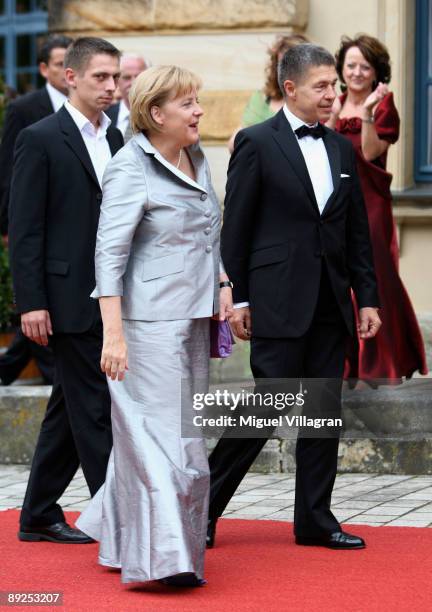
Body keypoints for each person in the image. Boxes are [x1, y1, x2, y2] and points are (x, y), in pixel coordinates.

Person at [207, 43, 381, 550]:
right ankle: (202, 508)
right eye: (322, 86)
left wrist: (366, 297)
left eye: (335, 85)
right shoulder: (256, 143)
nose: (333, 94)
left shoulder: (342, 148)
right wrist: (235, 298)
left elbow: (355, 233)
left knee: (323, 410)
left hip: (331, 299)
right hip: (276, 299)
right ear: (290, 88)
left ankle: (314, 519)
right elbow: (234, 229)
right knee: (269, 405)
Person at [76, 65, 232, 586]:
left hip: (192, 319)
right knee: (169, 444)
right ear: (156, 113)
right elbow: (109, 256)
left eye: (197, 100)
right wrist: (113, 334)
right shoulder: (129, 168)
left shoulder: (195, 156)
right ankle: (165, 561)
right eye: (188, 103)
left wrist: (224, 286)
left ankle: (124, 538)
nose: (199, 112)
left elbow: (209, 233)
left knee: (170, 436)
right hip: (147, 326)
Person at [8, 37, 124, 544]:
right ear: (71, 77)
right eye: (101, 77)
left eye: (116, 77)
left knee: (69, 408)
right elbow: (25, 226)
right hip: (64, 296)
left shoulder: (118, 139)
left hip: (110, 295)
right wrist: (30, 302)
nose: (112, 87)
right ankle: (119, 517)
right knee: (95, 407)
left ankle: (37, 512)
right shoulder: (40, 137)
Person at [326, 34, 427, 381]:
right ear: (341, 68)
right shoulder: (333, 102)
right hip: (336, 201)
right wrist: (333, 116)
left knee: (374, 274)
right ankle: (344, 362)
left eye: (364, 66)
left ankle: (381, 363)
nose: (355, 72)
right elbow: (321, 152)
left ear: (375, 72)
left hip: (369, 202)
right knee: (336, 274)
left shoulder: (384, 105)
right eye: (350, 65)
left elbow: (369, 154)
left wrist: (366, 112)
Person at [0, 34, 73, 386]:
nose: (66, 71)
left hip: (68, 235)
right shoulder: (24, 109)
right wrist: (7, 226)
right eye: (60, 64)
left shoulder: (96, 116)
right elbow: (9, 175)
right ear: (44, 69)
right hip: (33, 224)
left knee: (39, 325)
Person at [227, 33, 308, 152]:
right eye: (282, 64)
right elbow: (234, 144)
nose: (287, 70)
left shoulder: (313, 101)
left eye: (293, 64)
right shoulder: (262, 99)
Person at [106, 54, 148, 142]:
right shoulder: (104, 115)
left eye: (139, 76)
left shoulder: (160, 117)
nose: (133, 83)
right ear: (117, 81)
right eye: (126, 77)